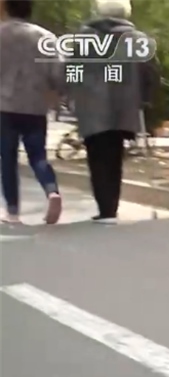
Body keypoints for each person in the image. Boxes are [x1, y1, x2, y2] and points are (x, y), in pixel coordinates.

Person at [70, 0, 158, 224]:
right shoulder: (138, 39)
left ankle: (105, 209)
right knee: (115, 156)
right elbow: (150, 72)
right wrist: (145, 99)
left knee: (96, 156)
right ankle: (111, 208)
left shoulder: (84, 38)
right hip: (124, 107)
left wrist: (73, 95)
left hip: (92, 107)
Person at [0, 0, 64, 224]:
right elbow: (59, 72)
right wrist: (56, 94)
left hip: (5, 107)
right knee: (38, 155)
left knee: (7, 158)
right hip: (36, 105)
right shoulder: (45, 37)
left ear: (6, 8)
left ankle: (13, 211)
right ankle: (51, 190)